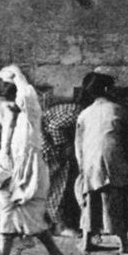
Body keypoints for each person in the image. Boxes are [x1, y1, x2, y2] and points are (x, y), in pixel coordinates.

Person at [0, 65, 66, 255]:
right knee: (6, 213)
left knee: (32, 218)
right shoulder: (7, 114)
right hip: (8, 168)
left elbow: (27, 95)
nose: (12, 105)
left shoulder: (32, 115)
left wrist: (17, 75)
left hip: (30, 172)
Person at [74, 71, 128, 255]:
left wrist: (82, 166)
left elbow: (78, 144)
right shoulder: (118, 110)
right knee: (115, 201)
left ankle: (86, 241)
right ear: (108, 89)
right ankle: (124, 243)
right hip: (112, 160)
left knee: (90, 200)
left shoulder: (85, 114)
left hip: (90, 161)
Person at [41, 99, 82, 237]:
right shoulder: (79, 112)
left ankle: (52, 224)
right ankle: (59, 226)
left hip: (46, 142)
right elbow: (54, 126)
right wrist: (65, 146)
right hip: (45, 144)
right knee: (57, 185)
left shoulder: (76, 109)